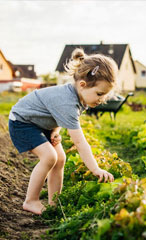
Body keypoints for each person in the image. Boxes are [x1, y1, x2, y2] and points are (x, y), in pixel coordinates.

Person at [8, 48, 118, 215]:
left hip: (40, 123)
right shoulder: (67, 101)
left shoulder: (78, 96)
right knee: (49, 157)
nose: (101, 100)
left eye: (104, 96)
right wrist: (95, 169)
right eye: (99, 94)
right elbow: (80, 143)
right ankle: (31, 201)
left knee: (60, 159)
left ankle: (54, 203)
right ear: (82, 85)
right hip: (22, 122)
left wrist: (55, 131)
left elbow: (53, 111)